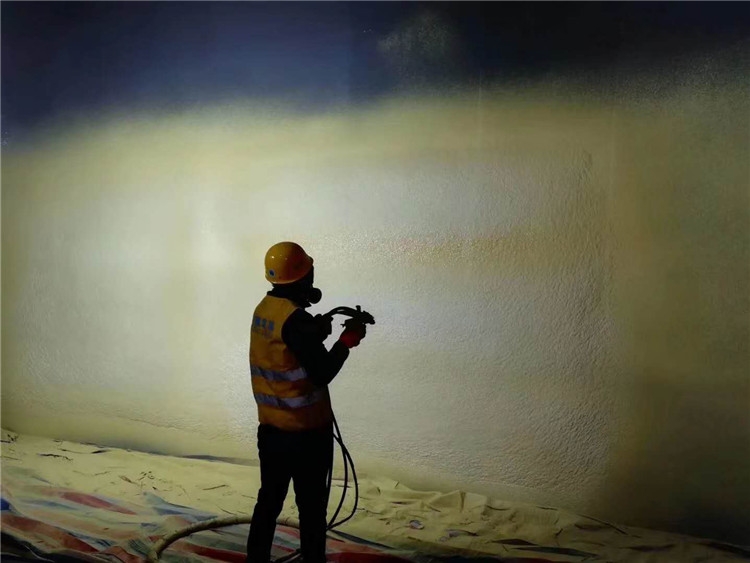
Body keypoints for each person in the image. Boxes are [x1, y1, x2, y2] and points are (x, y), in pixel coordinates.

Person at [246, 241, 366, 563]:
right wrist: (346, 341)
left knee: (268, 501)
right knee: (312, 509)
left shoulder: (265, 310)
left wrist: (317, 332)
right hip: (306, 436)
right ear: (304, 276)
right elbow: (322, 372)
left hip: (271, 431)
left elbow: (286, 349)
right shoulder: (296, 321)